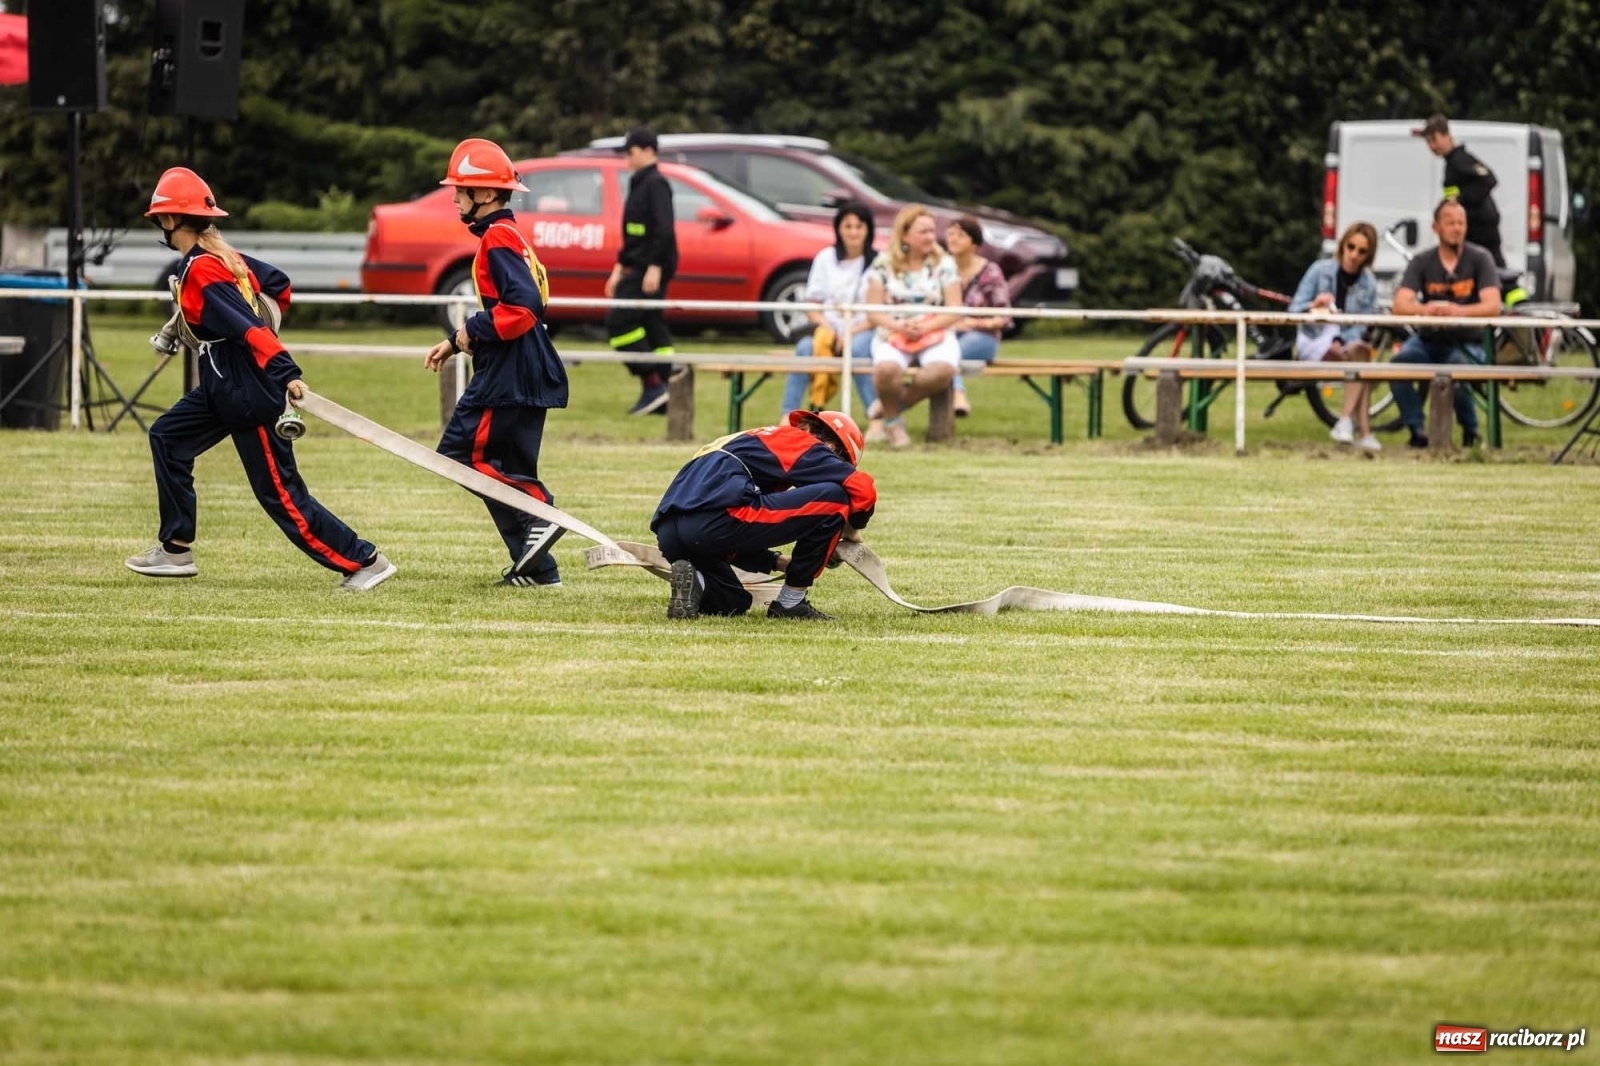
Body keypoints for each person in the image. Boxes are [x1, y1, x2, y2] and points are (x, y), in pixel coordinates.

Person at [125, 167, 395, 590]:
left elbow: (250, 327)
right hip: (222, 385)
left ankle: (364, 561)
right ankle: (176, 549)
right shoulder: (219, 258)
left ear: (170, 220)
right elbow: (278, 286)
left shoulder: (203, 269)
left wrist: (285, 372)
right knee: (168, 437)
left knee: (280, 495)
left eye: (161, 217)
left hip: (249, 390)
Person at [424, 138, 570, 586]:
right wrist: (457, 340)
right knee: (509, 467)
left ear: (485, 195)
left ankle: (541, 509)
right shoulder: (511, 236)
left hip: (509, 370)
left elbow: (524, 307)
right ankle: (539, 570)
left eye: (461, 190)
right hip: (528, 365)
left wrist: (471, 330)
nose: (453, 198)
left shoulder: (498, 238)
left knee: (461, 455)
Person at [652, 410, 876, 621]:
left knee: (732, 602)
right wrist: (852, 529)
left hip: (671, 531)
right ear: (831, 447)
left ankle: (697, 582)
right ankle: (790, 603)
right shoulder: (802, 442)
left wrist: (777, 562)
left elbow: (732, 535)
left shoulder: (750, 440)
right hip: (717, 518)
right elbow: (863, 489)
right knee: (835, 499)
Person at [1389, 198, 1502, 448]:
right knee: (1397, 366)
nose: (1457, 228)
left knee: (1457, 370)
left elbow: (1493, 305)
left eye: (1461, 222)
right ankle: (1417, 430)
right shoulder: (1421, 261)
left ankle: (1470, 430)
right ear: (1435, 228)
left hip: (1467, 342)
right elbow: (1400, 304)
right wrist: (1427, 310)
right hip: (1428, 340)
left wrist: (1459, 312)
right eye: (1450, 223)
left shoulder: (1480, 258)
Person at [864, 205, 966, 448]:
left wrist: (927, 326)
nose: (931, 237)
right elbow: (873, 310)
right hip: (894, 331)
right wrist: (898, 326)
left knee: (942, 369)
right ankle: (894, 425)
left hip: (935, 331)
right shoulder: (883, 264)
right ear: (905, 234)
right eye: (923, 232)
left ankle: (894, 408)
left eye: (932, 231)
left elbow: (955, 309)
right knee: (887, 369)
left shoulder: (945, 264)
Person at [779, 200, 879, 429]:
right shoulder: (825, 258)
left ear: (868, 230)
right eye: (848, 226)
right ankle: (788, 417)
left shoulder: (878, 263)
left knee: (858, 350)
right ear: (839, 229)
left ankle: (876, 418)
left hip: (864, 329)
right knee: (805, 349)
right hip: (828, 328)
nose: (853, 232)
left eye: (859, 226)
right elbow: (813, 304)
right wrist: (830, 330)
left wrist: (849, 333)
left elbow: (877, 311)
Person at [1288, 221, 1382, 451]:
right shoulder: (1319, 270)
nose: (1353, 255)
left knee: (1361, 354)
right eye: (1351, 247)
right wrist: (1314, 306)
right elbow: (1293, 310)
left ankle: (1346, 422)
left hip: (1346, 346)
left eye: (1361, 251)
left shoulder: (1368, 284)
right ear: (1342, 245)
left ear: (1368, 256)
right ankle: (1363, 431)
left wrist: (1341, 341)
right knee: (1364, 365)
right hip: (1313, 338)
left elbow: (1362, 326)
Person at [604, 126, 679, 415]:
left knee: (619, 323)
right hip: (637, 264)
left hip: (651, 267)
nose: (627, 158)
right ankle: (665, 391)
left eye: (631, 152)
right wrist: (618, 267)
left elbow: (664, 229)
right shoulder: (639, 181)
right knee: (651, 323)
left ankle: (653, 385)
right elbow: (633, 233)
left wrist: (655, 266)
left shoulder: (656, 183)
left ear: (649, 151)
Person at [943, 215, 1013, 417]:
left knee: (948, 355)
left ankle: (958, 392)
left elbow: (1005, 317)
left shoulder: (990, 272)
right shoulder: (940, 269)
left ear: (974, 242)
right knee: (945, 350)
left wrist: (974, 323)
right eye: (951, 234)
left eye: (960, 235)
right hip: (947, 334)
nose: (953, 239)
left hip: (982, 337)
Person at [1414, 112, 1504, 268]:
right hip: (1471, 229)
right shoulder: (1451, 163)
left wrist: (1461, 199)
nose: (1432, 146)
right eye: (1428, 142)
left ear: (1447, 135)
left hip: (1480, 229)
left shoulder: (1460, 160)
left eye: (1434, 140)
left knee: (1495, 272)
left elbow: (1489, 179)